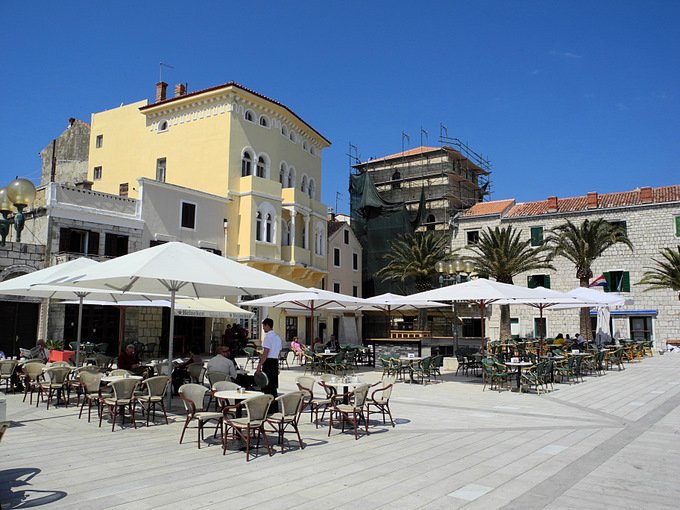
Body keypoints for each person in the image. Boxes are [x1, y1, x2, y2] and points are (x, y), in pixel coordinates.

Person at [256, 318, 281, 404]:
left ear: (267, 326)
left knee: (267, 384)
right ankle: (274, 405)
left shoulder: (268, 337)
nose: (263, 328)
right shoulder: (278, 337)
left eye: (263, 326)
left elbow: (265, 353)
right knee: (273, 385)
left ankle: (268, 405)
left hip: (269, 361)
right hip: (274, 362)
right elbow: (279, 353)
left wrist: (259, 365)